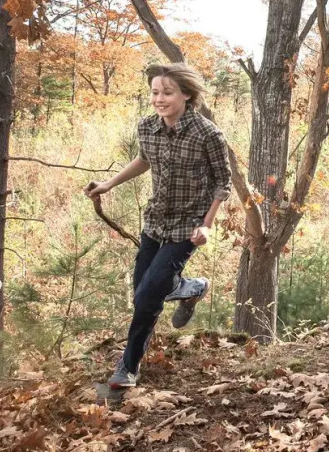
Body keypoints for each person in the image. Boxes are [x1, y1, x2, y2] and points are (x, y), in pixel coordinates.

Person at [85, 63, 231, 392]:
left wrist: (207, 225)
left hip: (187, 227)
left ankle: (128, 367)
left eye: (167, 92)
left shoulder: (208, 133)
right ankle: (188, 288)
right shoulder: (148, 127)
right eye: (154, 92)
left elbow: (223, 183)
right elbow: (145, 159)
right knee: (142, 294)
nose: (159, 99)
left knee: (149, 294)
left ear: (187, 95)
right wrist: (109, 184)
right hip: (155, 223)